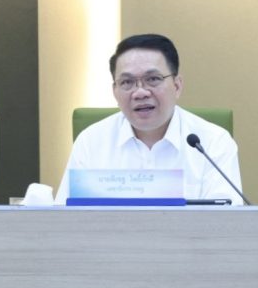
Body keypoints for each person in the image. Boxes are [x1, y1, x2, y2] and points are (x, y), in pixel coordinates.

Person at [55, 33, 244, 204]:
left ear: (177, 86)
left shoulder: (212, 142)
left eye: (153, 79)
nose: (140, 92)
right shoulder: (91, 141)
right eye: (127, 82)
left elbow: (226, 221)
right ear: (114, 91)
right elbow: (64, 217)